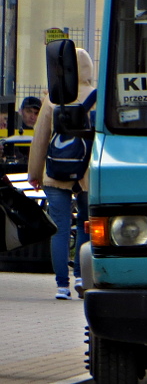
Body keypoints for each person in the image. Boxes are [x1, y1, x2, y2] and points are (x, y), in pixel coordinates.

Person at [27, 48, 94, 300]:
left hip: (56, 171)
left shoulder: (53, 98)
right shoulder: (98, 97)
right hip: (87, 172)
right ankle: (81, 276)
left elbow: (40, 139)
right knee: (86, 224)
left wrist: (34, 173)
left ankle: (61, 286)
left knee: (60, 228)